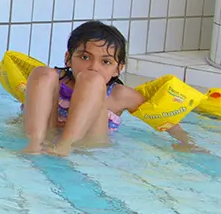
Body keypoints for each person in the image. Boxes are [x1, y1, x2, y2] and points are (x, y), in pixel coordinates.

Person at [20, 22, 158, 156]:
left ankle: (65, 145)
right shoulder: (54, 81)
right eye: (85, 57)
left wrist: (180, 138)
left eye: (106, 61)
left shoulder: (120, 95)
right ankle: (34, 143)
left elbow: (161, 116)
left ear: (118, 69)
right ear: (68, 59)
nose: (93, 67)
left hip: (89, 144)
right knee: (42, 72)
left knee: (92, 80)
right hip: (48, 135)